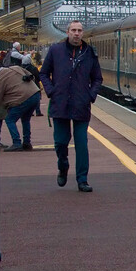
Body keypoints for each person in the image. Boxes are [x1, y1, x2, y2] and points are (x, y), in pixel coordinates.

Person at [40, 20, 102, 193]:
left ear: (83, 33)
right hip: (60, 104)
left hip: (81, 105)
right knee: (60, 142)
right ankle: (63, 165)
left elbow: (97, 78)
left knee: (82, 143)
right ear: (67, 32)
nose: (77, 33)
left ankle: (82, 179)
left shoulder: (90, 53)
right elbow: (43, 73)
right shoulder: (55, 51)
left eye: (80, 30)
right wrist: (51, 91)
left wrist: (91, 95)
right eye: (74, 30)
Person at [0, 62, 40, 152]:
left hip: (22, 98)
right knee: (25, 119)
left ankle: (16, 142)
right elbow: (30, 75)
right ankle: (27, 143)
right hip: (35, 94)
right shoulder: (16, 68)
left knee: (10, 120)